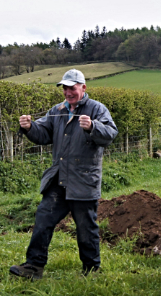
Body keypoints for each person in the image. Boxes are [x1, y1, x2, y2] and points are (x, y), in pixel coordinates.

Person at [10, 69, 118, 280]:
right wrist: (29, 127)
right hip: (59, 179)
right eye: (65, 88)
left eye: (72, 88)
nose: (68, 93)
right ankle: (33, 267)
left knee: (86, 229)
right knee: (43, 220)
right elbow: (43, 134)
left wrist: (93, 126)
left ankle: (91, 270)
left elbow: (111, 133)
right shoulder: (57, 110)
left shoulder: (97, 109)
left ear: (83, 88)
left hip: (84, 180)